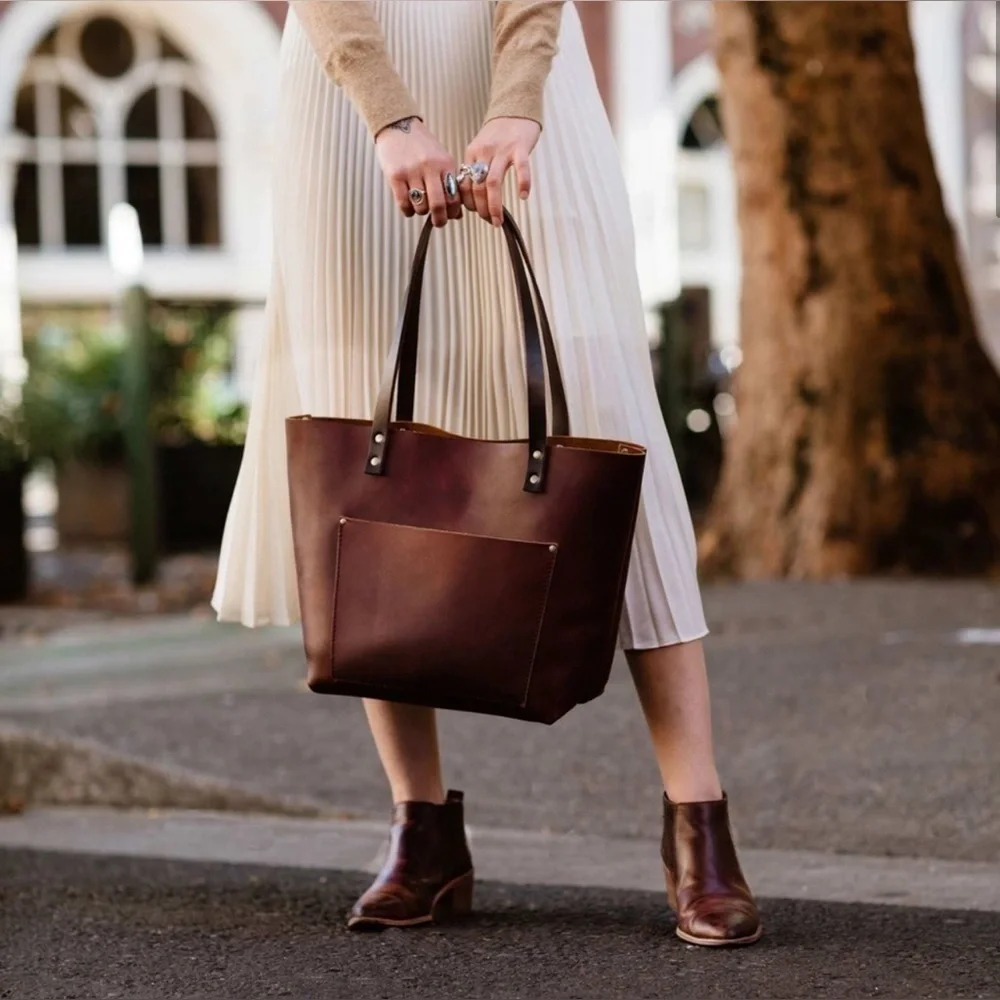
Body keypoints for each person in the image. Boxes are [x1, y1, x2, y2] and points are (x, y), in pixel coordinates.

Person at [212, 0, 761, 947]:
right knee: (370, 463)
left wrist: (517, 103)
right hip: (347, 104)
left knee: (607, 429)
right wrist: (386, 111)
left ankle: (697, 825)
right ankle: (421, 832)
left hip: (529, 83)